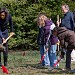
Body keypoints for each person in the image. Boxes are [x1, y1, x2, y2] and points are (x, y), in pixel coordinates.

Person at [57, 4, 75, 71]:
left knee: (69, 51)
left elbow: (73, 23)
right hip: (66, 36)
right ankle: (68, 67)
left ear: (66, 8)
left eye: (63, 9)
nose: (62, 11)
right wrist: (59, 24)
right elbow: (62, 26)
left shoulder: (70, 14)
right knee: (68, 52)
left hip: (71, 35)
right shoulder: (64, 16)